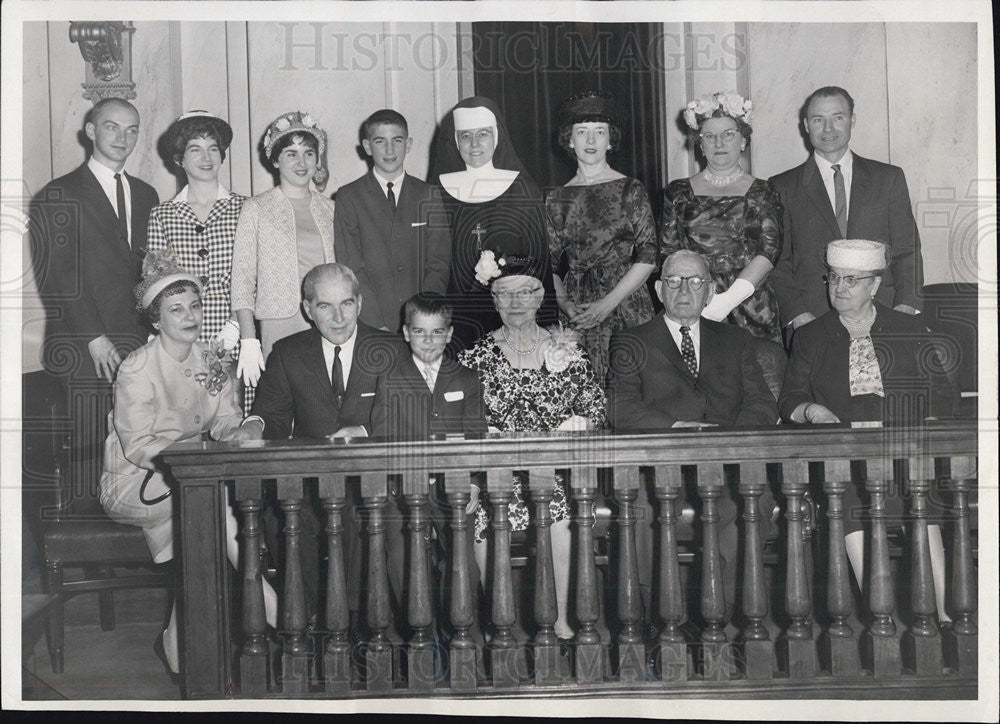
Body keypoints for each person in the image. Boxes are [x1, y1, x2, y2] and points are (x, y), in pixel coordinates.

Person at [99, 248, 276, 677]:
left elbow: (226, 417)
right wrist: (198, 463)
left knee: (204, 520)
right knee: (211, 506)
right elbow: (139, 444)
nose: (190, 315)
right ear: (156, 320)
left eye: (195, 305)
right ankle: (274, 605)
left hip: (192, 479)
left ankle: (176, 645)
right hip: (136, 481)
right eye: (176, 309)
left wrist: (241, 430)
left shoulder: (212, 358)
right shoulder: (137, 367)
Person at [778, 238, 956, 624]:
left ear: (874, 285)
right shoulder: (810, 336)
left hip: (906, 455)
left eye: (851, 281)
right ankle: (883, 620)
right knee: (851, 504)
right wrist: (809, 409)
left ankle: (944, 618)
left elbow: (943, 394)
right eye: (833, 279)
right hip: (847, 461)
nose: (839, 289)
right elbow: (789, 397)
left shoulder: (908, 327)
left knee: (922, 500)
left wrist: (925, 422)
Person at [607, 250, 778, 631]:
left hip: (726, 463)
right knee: (639, 509)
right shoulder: (631, 341)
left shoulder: (736, 340)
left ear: (710, 292)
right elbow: (620, 408)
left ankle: (726, 621)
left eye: (695, 282)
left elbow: (762, 404)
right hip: (659, 467)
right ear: (658, 289)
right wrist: (675, 428)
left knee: (752, 501)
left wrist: (726, 441)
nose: (684, 290)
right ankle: (661, 626)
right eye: (673, 281)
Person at [458, 252, 606, 640]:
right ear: (493, 301)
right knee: (485, 514)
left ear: (541, 298)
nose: (515, 303)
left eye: (525, 293)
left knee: (557, 505)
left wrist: (583, 421)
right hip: (494, 476)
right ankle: (498, 624)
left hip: (555, 473)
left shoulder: (569, 350)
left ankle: (560, 622)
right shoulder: (473, 357)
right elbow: (459, 423)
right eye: (505, 295)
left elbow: (594, 407)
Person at [246, 263, 397, 629]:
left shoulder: (390, 347)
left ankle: (365, 626)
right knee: (284, 514)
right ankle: (308, 621)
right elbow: (272, 414)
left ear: (360, 304)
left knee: (370, 514)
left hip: (374, 477)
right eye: (325, 306)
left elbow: (404, 413)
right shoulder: (287, 352)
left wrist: (362, 430)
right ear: (307, 309)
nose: (338, 316)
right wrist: (253, 426)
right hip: (313, 479)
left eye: (347, 303)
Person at [29, 97, 160, 489]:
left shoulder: (146, 194)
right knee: (88, 450)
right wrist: (94, 337)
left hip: (138, 341)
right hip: (83, 344)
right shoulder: (59, 194)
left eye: (132, 129)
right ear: (90, 131)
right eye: (112, 127)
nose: (123, 137)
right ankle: (86, 540)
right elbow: (57, 275)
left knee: (135, 444)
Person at [371, 292, 487, 621]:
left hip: (454, 488)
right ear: (406, 333)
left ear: (449, 334)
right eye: (419, 331)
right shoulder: (391, 379)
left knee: (463, 568)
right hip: (405, 489)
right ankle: (421, 645)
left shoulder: (466, 378)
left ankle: (465, 640)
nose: (428, 340)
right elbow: (383, 435)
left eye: (437, 332)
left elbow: (477, 438)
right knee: (404, 568)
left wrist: (474, 484)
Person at [769, 86, 924, 333]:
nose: (828, 129)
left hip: (884, 316)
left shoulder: (888, 178)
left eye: (837, 118)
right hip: (812, 322)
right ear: (806, 125)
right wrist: (798, 315)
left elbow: (907, 251)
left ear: (852, 120)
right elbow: (778, 261)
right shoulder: (782, 186)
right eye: (818, 120)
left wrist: (905, 307)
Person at [545, 91, 658, 382]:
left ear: (611, 140)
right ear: (569, 140)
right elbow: (549, 265)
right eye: (582, 132)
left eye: (599, 132)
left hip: (626, 301)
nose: (591, 141)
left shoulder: (631, 189)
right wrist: (566, 305)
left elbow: (648, 256)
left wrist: (608, 304)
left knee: (631, 387)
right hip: (578, 308)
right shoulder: (556, 198)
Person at [431, 96, 558, 349]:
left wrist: (501, 266)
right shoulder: (438, 189)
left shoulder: (522, 188)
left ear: (497, 136)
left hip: (512, 309)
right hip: (457, 310)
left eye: (483, 134)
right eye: (466, 136)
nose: (475, 144)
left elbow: (535, 259)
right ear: (455, 140)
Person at [146, 110, 251, 408]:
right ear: (179, 158)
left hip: (238, 332)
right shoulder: (163, 214)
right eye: (196, 149)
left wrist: (233, 329)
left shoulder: (246, 208)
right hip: (182, 335)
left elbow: (257, 274)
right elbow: (157, 282)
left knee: (233, 420)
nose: (206, 157)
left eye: (213, 148)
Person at [660, 91, 784, 342]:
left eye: (728, 134)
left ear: (742, 141)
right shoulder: (678, 191)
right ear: (700, 143)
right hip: (693, 301)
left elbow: (770, 250)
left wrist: (728, 300)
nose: (719, 143)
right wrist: (698, 298)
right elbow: (668, 251)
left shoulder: (763, 190)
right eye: (710, 136)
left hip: (752, 305)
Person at [231, 110, 335, 388]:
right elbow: (242, 278)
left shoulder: (331, 208)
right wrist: (249, 338)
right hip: (279, 322)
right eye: (291, 154)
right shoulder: (256, 207)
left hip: (326, 319)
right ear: (275, 159)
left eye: (309, 153)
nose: (302, 163)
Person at [334, 109, 451, 331]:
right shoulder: (349, 196)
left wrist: (424, 314)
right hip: (371, 321)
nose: (389, 150)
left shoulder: (428, 194)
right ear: (367, 147)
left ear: (408, 144)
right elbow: (351, 265)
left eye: (397, 141)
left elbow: (439, 262)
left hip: (422, 321)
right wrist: (375, 322)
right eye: (380, 141)